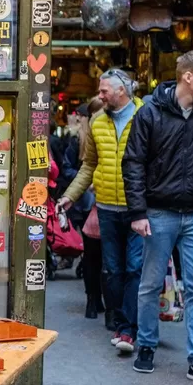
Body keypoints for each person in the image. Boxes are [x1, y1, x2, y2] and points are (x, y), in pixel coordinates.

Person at [122, 51, 193, 383]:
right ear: (188, 77)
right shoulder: (151, 113)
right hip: (158, 211)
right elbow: (133, 162)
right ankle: (146, 345)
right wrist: (138, 212)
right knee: (149, 285)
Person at [59, 69, 144, 353]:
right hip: (106, 206)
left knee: (134, 268)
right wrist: (71, 196)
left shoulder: (146, 116)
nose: (100, 95)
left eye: (104, 90)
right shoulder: (97, 121)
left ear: (122, 91)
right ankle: (121, 324)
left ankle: (128, 329)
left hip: (138, 208)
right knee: (113, 270)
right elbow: (89, 165)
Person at [63, 98, 106, 320]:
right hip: (91, 202)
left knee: (93, 256)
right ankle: (97, 301)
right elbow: (71, 168)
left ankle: (94, 300)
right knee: (102, 257)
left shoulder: (82, 136)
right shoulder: (82, 138)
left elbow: (68, 168)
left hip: (88, 201)